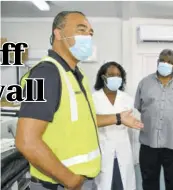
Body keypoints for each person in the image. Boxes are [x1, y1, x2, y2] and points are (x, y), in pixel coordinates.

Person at [15, 11, 143, 190]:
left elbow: (86, 120)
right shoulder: (46, 74)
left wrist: (119, 118)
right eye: (81, 30)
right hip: (60, 183)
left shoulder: (77, 75)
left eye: (90, 33)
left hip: (79, 181)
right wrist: (69, 179)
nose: (88, 37)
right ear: (58, 33)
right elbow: (26, 141)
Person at [134, 49, 173, 190]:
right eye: (162, 60)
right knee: (149, 181)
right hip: (149, 143)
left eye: (169, 62)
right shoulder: (144, 83)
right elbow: (140, 107)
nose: (165, 63)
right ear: (157, 61)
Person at [92, 61, 137, 190]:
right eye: (111, 75)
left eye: (118, 75)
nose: (115, 78)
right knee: (105, 184)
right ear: (103, 77)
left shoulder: (127, 99)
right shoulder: (94, 98)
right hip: (103, 151)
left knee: (123, 185)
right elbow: (90, 121)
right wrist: (118, 119)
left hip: (123, 151)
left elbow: (130, 125)